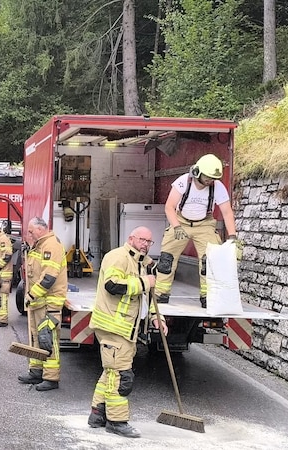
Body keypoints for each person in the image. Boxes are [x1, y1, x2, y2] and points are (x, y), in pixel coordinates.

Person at [87, 226, 168, 439]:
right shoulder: (118, 257)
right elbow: (112, 285)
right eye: (142, 239)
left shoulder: (141, 263)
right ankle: (117, 421)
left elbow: (145, 297)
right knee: (122, 376)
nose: (145, 244)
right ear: (131, 238)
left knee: (111, 372)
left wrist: (155, 317)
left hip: (125, 330)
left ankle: (97, 413)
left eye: (149, 242)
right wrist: (144, 282)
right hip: (113, 327)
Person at [155, 154, 238, 308]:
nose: (209, 181)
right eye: (207, 177)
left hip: (204, 224)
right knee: (167, 258)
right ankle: (161, 293)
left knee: (211, 261)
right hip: (180, 221)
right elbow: (169, 207)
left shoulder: (217, 187)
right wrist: (176, 226)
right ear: (197, 172)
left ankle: (208, 296)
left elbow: (227, 212)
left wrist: (232, 236)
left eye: (213, 178)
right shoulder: (182, 182)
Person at [17, 217, 68, 392]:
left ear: (41, 229)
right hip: (37, 303)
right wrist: (29, 249)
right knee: (35, 339)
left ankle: (51, 378)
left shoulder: (51, 246)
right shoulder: (39, 245)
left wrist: (32, 294)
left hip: (48, 303)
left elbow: (49, 277)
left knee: (47, 339)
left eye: (31, 231)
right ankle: (36, 371)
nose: (29, 234)